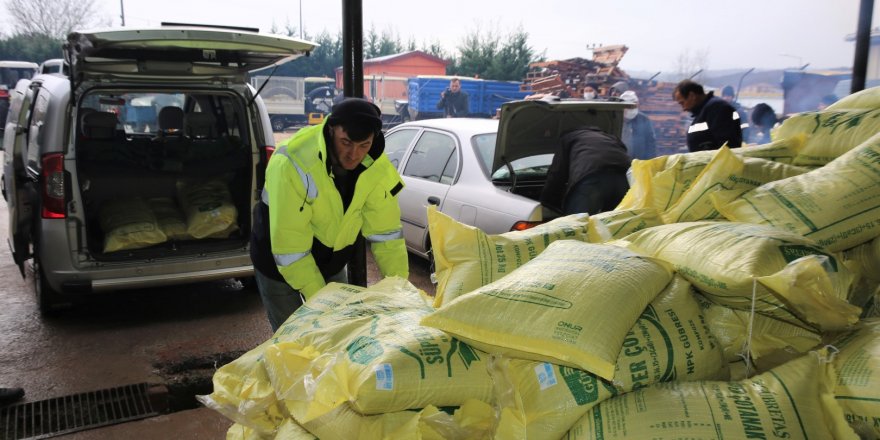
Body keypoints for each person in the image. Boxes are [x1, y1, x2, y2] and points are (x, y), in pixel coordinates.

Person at [250, 98, 409, 331]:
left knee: (338, 333)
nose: (353, 155)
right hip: (278, 262)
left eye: (364, 145)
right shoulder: (293, 162)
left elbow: (386, 236)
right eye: (346, 142)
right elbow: (290, 249)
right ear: (331, 128)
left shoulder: (378, 168)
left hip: (331, 260)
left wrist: (400, 291)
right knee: (294, 339)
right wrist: (324, 304)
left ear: (374, 139)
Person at [540, 126, 632, 215]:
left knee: (576, 225)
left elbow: (557, 173)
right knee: (618, 225)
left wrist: (546, 201)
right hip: (625, 178)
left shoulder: (568, 137)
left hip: (593, 180)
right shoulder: (610, 138)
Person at [673, 79, 743, 152]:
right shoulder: (702, 112)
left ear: (692, 96)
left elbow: (726, 146)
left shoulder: (717, 108)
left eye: (682, 103)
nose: (683, 108)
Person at [619, 91, 657, 160]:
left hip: (638, 162)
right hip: (619, 162)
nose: (631, 110)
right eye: (628, 107)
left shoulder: (643, 119)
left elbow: (650, 142)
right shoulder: (615, 119)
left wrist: (650, 161)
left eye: (634, 106)